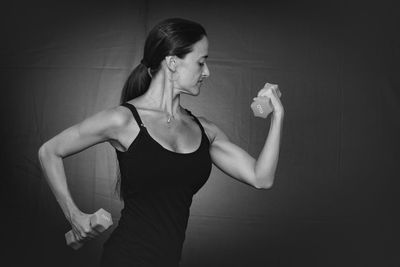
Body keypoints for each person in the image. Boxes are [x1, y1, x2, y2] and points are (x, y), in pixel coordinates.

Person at [38, 17, 284, 267]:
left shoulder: (204, 130)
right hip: (125, 258)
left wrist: (278, 117)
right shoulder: (123, 120)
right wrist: (74, 215)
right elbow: (49, 151)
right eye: (201, 62)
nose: (207, 72)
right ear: (172, 62)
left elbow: (260, 178)